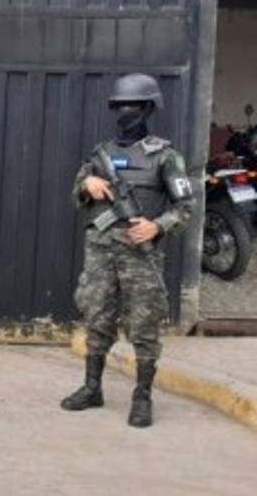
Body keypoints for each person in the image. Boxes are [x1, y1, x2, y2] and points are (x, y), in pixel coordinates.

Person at [60, 73, 195, 428]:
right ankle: (92, 388)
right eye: (120, 106)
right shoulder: (101, 153)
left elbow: (185, 207)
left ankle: (142, 396)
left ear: (148, 108)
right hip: (101, 250)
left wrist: (157, 226)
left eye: (132, 105)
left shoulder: (166, 156)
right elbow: (76, 194)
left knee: (144, 324)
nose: (125, 111)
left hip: (140, 254)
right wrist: (87, 183)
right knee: (97, 316)